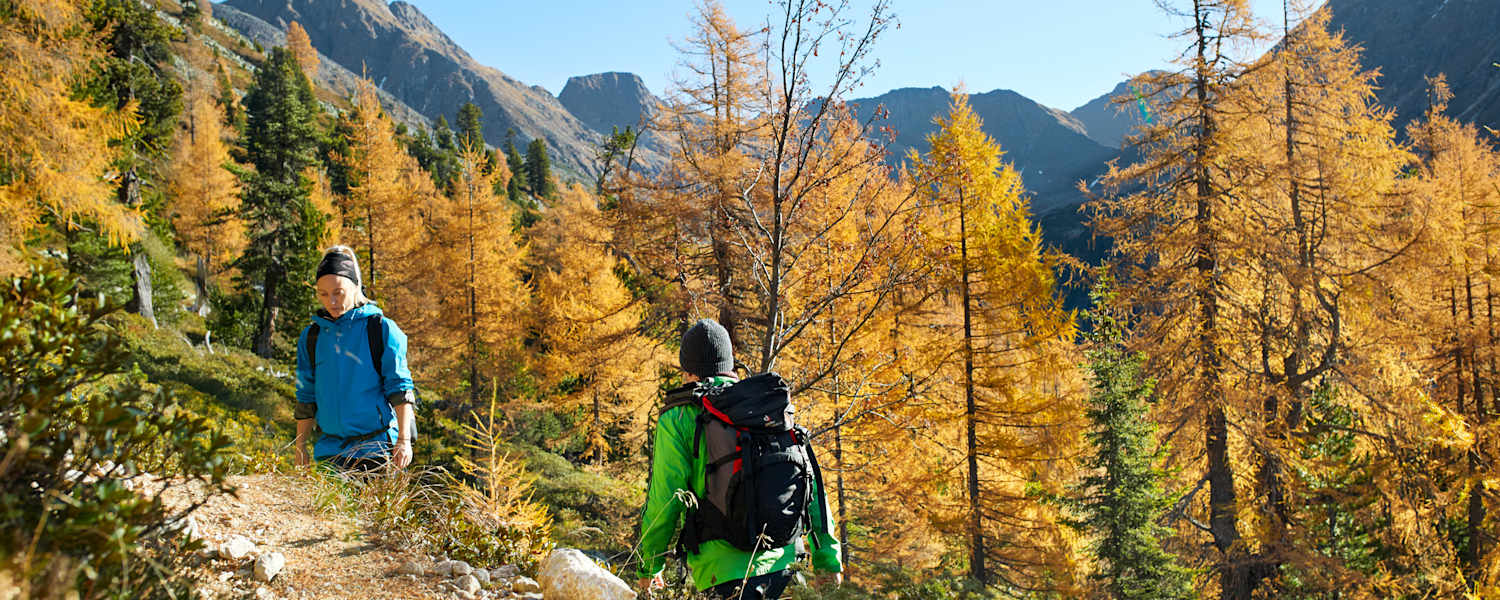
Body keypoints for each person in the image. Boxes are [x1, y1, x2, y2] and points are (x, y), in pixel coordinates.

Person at [636, 319, 842, 599]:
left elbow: (665, 499)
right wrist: (828, 561)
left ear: (687, 372)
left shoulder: (679, 417)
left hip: (724, 576)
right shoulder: (768, 408)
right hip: (789, 569)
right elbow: (812, 486)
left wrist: (649, 567)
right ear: (730, 365)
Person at [293, 245, 416, 471]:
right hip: (329, 453)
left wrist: (404, 441)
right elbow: (306, 395)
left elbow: (400, 387)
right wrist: (300, 446)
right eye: (323, 294)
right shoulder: (311, 337)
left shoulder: (381, 329)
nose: (331, 301)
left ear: (355, 286)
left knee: (373, 509)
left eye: (338, 292)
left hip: (378, 450)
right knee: (329, 508)